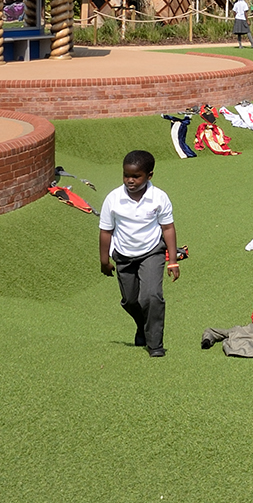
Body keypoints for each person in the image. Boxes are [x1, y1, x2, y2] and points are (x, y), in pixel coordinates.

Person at [98, 150, 179, 358]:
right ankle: (142, 326)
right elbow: (106, 231)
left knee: (151, 297)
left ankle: (155, 344)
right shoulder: (113, 199)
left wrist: (172, 260)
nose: (130, 180)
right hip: (123, 255)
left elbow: (167, 228)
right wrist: (104, 261)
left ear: (149, 175)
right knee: (130, 301)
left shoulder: (159, 198)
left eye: (136, 176)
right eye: (126, 175)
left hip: (151, 252)